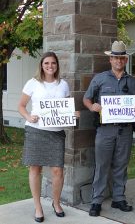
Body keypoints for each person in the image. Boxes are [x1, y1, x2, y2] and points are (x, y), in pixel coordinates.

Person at [83, 41, 135, 217]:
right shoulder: (100, 79)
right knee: (102, 165)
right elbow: (87, 99)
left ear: (125, 60)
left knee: (121, 165)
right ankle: (96, 201)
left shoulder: (134, 82)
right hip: (105, 130)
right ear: (110, 59)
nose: (118, 61)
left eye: (121, 58)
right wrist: (92, 107)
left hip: (125, 131)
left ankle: (119, 198)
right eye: (115, 58)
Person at [18, 52, 76, 222]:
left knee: (58, 170)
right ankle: (38, 207)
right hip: (35, 131)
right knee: (35, 168)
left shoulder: (63, 84)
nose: (50, 66)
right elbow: (21, 106)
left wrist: (73, 114)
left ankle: (56, 203)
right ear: (41, 65)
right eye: (46, 63)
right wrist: (28, 117)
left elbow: (64, 109)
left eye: (53, 63)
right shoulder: (33, 83)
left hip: (56, 133)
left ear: (57, 65)